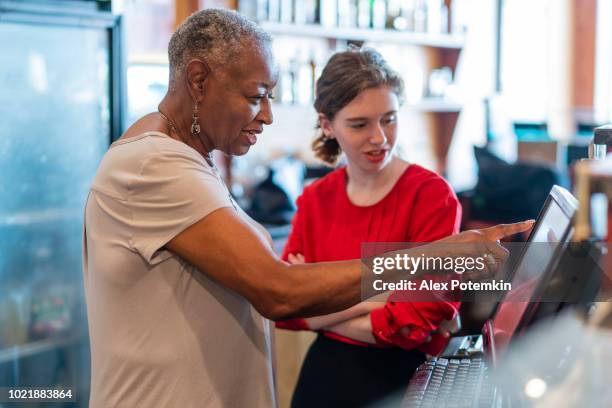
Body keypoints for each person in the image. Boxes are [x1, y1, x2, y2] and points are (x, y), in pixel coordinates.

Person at [82, 9, 533, 408]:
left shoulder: (182, 157)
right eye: (256, 95)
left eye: (270, 96)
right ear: (199, 80)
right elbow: (282, 294)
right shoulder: (154, 166)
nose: (267, 116)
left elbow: (399, 317)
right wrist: (433, 256)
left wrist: (319, 305)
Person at [276, 48, 463, 407]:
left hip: (402, 378)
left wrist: (319, 311)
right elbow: (288, 306)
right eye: (360, 124)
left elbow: (419, 318)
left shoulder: (431, 196)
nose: (379, 137)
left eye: (389, 119)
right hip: (322, 378)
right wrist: (383, 295)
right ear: (328, 125)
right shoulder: (315, 199)